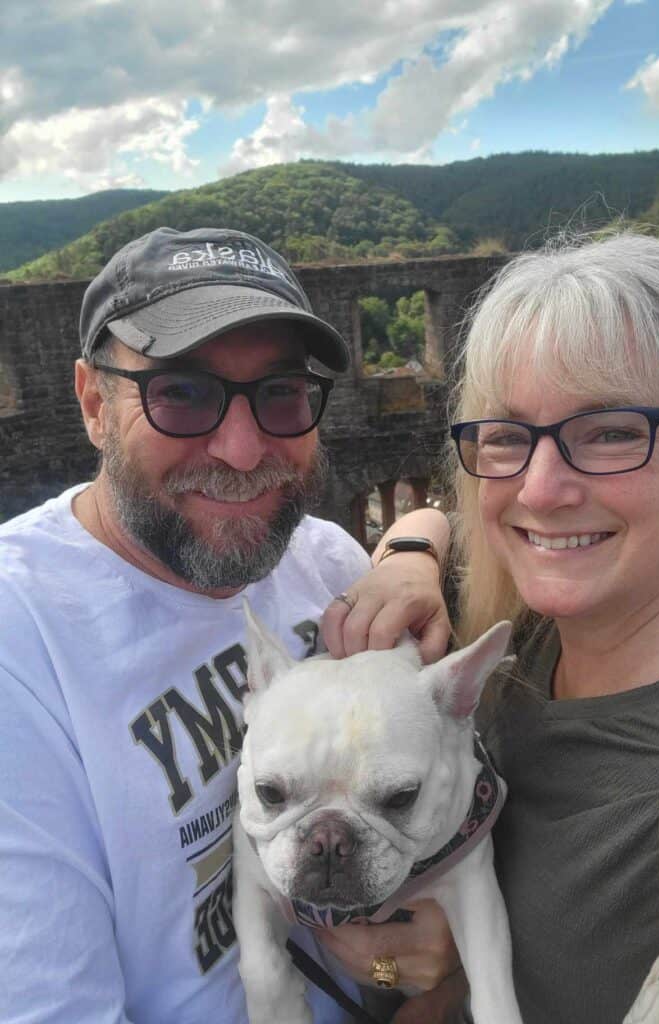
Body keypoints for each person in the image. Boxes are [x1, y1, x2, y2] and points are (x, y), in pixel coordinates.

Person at [0, 227, 457, 1024]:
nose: (244, 451)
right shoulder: (22, 641)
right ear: (92, 402)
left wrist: (419, 542)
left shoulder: (328, 563)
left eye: (280, 392)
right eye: (180, 392)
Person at [321, 232, 659, 1022]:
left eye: (611, 432)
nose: (542, 488)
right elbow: (445, 520)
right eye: (506, 436)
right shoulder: (526, 640)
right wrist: (413, 552)